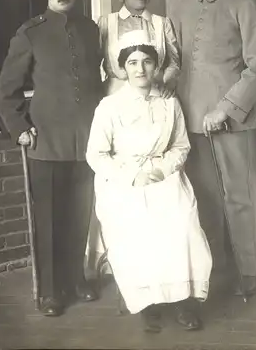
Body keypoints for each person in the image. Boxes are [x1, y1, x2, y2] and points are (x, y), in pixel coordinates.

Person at [86, 29, 212, 332]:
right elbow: (96, 155)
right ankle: (147, 303)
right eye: (132, 62)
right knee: (137, 229)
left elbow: (181, 145)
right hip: (123, 182)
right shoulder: (110, 107)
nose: (140, 69)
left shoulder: (169, 103)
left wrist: (162, 169)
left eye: (146, 62)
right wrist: (132, 176)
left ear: (156, 67)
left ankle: (182, 299)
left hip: (164, 175)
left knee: (182, 224)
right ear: (123, 68)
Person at [0, 0, 103, 316]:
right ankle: (50, 290)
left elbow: (96, 83)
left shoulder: (90, 29)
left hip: (87, 139)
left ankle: (76, 278)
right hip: (46, 139)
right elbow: (7, 92)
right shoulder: (31, 32)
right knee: (49, 219)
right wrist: (19, 128)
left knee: (80, 214)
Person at [176, 0, 256, 297]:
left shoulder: (244, 4)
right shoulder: (183, 6)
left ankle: (247, 272)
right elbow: (178, 62)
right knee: (204, 195)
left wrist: (226, 109)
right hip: (192, 120)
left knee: (239, 196)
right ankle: (214, 267)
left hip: (232, 120)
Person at [98, 0, 180, 97]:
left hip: (154, 94)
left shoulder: (162, 23)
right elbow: (93, 63)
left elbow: (173, 62)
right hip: (116, 96)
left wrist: (169, 82)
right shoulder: (107, 22)